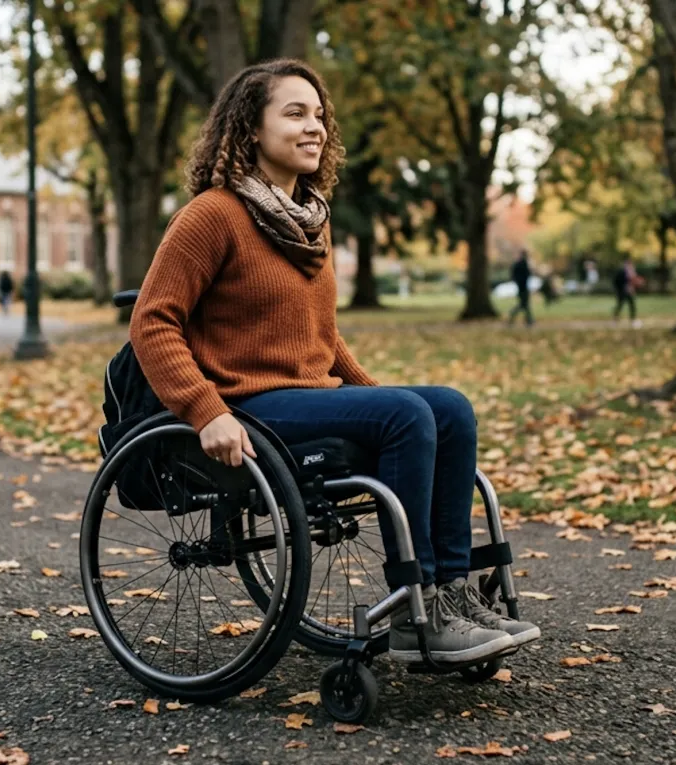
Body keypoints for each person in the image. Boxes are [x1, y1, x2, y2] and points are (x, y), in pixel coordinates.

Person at [129, 59, 539, 667]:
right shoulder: (212, 215)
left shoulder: (308, 222)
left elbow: (322, 337)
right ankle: (412, 610)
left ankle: (449, 596)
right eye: (294, 113)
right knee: (407, 412)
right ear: (250, 129)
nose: (313, 126)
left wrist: (393, 402)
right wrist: (205, 410)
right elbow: (153, 321)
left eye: (318, 115)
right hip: (246, 405)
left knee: (447, 407)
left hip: (303, 396)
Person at [613, 256, 643, 327]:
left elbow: (633, 282)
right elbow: (616, 282)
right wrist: (621, 289)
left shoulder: (632, 272)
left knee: (632, 305)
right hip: (622, 292)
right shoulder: (621, 272)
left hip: (629, 292)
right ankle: (615, 319)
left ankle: (633, 320)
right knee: (620, 305)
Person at [506, 250, 534, 327]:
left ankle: (529, 320)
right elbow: (526, 274)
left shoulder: (520, 264)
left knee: (524, 304)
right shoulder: (521, 264)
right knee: (523, 304)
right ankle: (528, 320)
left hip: (522, 287)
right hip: (522, 287)